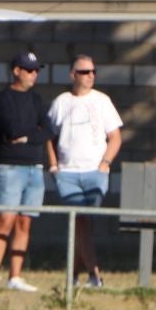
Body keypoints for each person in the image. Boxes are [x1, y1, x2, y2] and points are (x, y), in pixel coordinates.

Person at [46, 55, 122, 288]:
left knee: (84, 223)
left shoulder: (102, 101)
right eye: (84, 72)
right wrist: (54, 165)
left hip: (94, 171)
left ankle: (75, 277)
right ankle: (94, 274)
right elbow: (49, 136)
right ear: (73, 75)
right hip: (67, 172)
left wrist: (105, 163)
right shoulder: (61, 101)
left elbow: (115, 137)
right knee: (81, 221)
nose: (90, 76)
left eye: (93, 72)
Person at [0, 52, 55, 292]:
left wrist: (29, 136)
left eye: (36, 70)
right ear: (16, 71)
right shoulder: (3, 98)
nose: (34, 74)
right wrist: (28, 133)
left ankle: (15, 276)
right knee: (6, 219)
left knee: (25, 223)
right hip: (11, 166)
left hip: (34, 167)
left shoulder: (37, 100)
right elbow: (11, 128)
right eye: (29, 70)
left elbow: (47, 130)